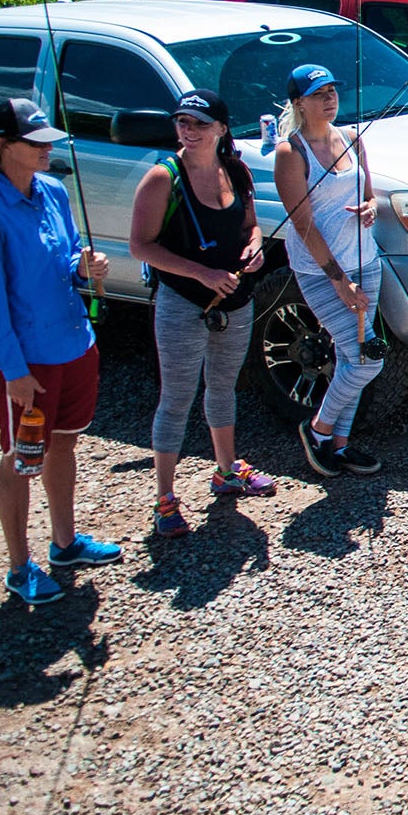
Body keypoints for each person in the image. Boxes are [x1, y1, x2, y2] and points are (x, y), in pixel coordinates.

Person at [0, 97, 118, 605]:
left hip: (74, 345)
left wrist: (85, 267)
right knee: (20, 458)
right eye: (35, 142)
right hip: (28, 362)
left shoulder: (53, 191)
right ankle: (20, 567)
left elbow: (66, 260)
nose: (48, 150)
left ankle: (64, 544)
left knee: (63, 443)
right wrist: (13, 371)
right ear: (2, 146)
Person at [130, 90, 272, 538]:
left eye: (200, 124)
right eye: (183, 123)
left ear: (222, 129)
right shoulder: (161, 178)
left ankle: (226, 470)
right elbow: (141, 246)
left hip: (235, 300)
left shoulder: (237, 170)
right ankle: (165, 499)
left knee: (224, 387)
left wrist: (254, 250)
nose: (189, 132)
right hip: (183, 301)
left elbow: (251, 226)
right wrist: (202, 273)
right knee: (176, 398)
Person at [271, 64, 383, 479]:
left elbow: (371, 197)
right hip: (323, 273)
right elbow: (302, 222)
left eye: (332, 90)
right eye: (318, 93)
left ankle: (341, 443)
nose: (329, 99)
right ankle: (317, 431)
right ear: (299, 102)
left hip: (366, 262)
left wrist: (371, 209)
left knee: (352, 357)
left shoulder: (352, 138)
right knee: (367, 360)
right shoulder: (291, 152)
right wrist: (339, 279)